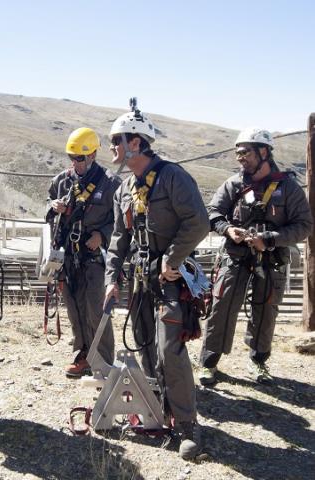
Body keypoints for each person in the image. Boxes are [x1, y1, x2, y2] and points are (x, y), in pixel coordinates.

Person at [104, 105, 209, 460]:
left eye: (116, 142)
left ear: (135, 142)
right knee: (144, 343)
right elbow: (119, 237)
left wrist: (174, 258)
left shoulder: (173, 178)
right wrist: (111, 279)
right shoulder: (123, 190)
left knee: (170, 349)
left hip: (169, 281)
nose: (112, 149)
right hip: (139, 280)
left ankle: (186, 425)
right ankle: (155, 407)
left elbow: (198, 222)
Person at [199, 128, 313, 385]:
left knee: (266, 310)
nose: (240, 158)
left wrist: (270, 239)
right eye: (237, 153)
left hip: (271, 260)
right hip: (235, 255)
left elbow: (304, 225)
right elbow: (213, 212)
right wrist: (228, 229)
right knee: (222, 305)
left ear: (264, 151)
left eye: (245, 152)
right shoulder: (233, 185)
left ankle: (259, 361)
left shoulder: (289, 188)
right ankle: (208, 364)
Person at [45, 127, 121, 377]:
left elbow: (121, 223)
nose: (75, 163)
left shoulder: (110, 184)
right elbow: (48, 208)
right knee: (74, 307)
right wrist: (53, 207)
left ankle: (104, 361)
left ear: (92, 156)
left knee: (95, 309)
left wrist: (102, 235)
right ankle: (83, 353)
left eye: (80, 158)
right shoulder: (62, 181)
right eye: (72, 158)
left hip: (94, 257)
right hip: (68, 256)